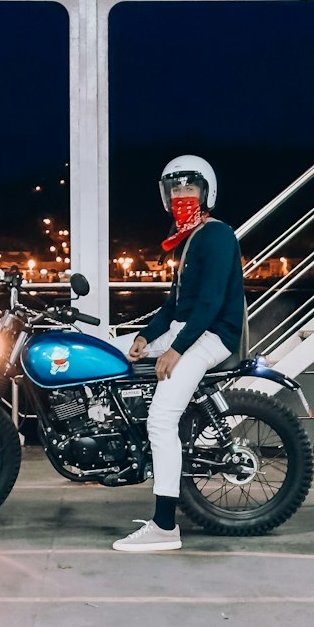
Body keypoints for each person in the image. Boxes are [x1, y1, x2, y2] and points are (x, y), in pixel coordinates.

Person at [112, 155, 246, 553]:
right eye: (175, 189)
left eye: (189, 188)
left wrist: (174, 349)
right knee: (110, 353)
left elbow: (209, 303)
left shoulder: (218, 236)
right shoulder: (187, 237)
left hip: (211, 335)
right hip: (185, 330)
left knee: (162, 418)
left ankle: (165, 526)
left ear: (207, 193)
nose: (181, 195)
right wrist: (142, 337)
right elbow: (174, 306)